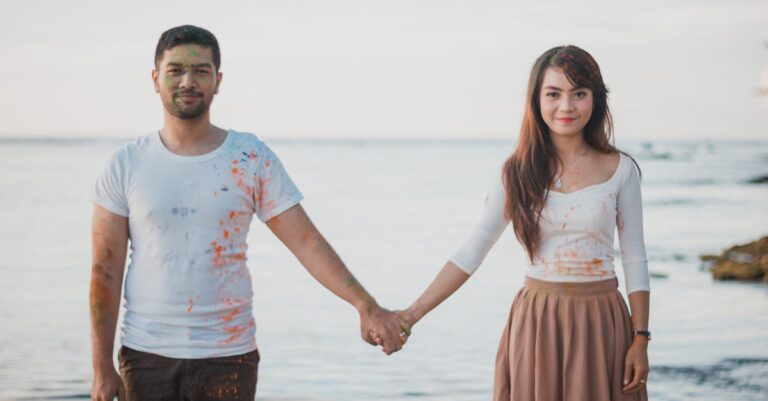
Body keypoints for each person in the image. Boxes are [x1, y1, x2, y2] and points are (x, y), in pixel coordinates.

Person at [89, 25, 409, 401]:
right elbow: (105, 269)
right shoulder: (127, 165)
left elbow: (306, 242)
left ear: (217, 81)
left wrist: (365, 305)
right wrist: (100, 369)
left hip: (229, 356)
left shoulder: (249, 157)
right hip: (146, 357)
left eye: (201, 71)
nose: (188, 81)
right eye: (175, 70)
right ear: (155, 78)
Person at [390, 45, 651, 400]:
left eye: (579, 94)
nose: (566, 106)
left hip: (602, 321)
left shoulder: (621, 170)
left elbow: (635, 256)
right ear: (536, 99)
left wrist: (640, 339)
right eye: (554, 94)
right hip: (537, 321)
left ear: (596, 98)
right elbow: (472, 251)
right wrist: (410, 314)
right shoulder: (515, 173)